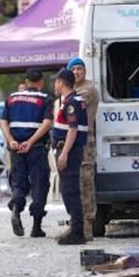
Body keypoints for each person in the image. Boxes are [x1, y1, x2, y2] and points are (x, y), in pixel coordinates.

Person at [0, 68, 54, 238]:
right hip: (36, 147)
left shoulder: (12, 98)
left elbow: (3, 121)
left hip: (16, 147)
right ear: (41, 82)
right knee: (40, 184)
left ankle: (16, 209)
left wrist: (11, 140)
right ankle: (36, 227)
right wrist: (30, 142)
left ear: (27, 81)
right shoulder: (45, 99)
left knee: (18, 182)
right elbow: (46, 123)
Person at [52, 67, 88, 246]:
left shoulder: (71, 102)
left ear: (61, 82)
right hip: (70, 149)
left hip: (70, 150)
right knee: (68, 189)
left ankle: (77, 231)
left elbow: (72, 129)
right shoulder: (72, 100)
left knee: (70, 190)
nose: (55, 84)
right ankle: (75, 227)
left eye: (56, 81)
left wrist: (64, 153)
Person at [68, 57, 101, 239]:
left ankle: (87, 226)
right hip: (74, 139)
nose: (76, 72)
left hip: (85, 141)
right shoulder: (72, 91)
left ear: (85, 71)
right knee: (74, 182)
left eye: (79, 69)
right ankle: (77, 224)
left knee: (85, 181)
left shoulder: (87, 90)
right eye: (73, 70)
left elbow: (71, 105)